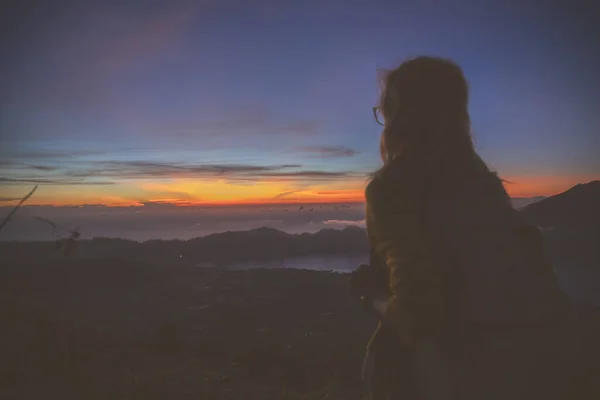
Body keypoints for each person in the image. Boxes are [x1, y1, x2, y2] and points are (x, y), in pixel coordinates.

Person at [359, 56, 573, 400]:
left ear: (400, 116)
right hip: (525, 363)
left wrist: (373, 300)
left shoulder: (393, 189)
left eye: (385, 110)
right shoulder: (482, 184)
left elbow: (418, 310)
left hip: (450, 371)